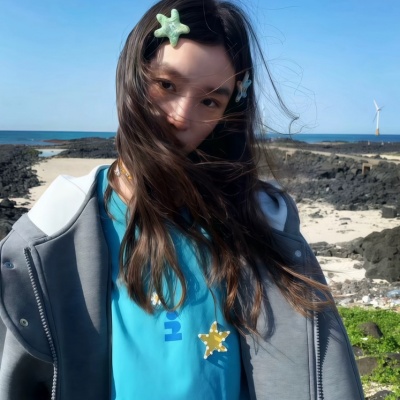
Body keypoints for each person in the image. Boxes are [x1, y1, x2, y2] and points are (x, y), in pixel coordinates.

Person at [0, 0, 364, 399]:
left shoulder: (259, 222)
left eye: (210, 100)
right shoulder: (52, 234)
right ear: (131, 77)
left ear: (229, 111)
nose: (180, 115)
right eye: (166, 85)